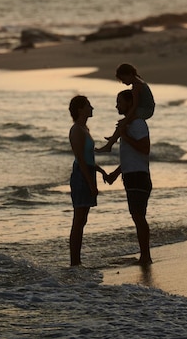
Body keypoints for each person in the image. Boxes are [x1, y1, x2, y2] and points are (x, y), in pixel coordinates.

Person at [105, 89, 153, 265]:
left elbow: (145, 148)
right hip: (131, 175)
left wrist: (124, 136)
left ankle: (146, 256)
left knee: (138, 216)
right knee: (137, 216)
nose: (117, 105)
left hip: (138, 176)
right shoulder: (129, 124)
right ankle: (145, 255)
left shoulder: (138, 124)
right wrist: (115, 174)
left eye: (119, 102)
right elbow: (130, 157)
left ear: (129, 103)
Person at [68, 95, 107, 266]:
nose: (92, 108)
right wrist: (91, 184)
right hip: (81, 175)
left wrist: (100, 171)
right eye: (88, 105)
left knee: (83, 219)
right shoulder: (76, 130)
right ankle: (74, 262)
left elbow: (88, 159)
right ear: (80, 109)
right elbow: (81, 160)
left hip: (88, 173)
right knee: (79, 219)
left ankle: (77, 261)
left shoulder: (85, 129)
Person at [96, 63, 155, 153]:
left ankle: (110, 144)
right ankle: (112, 140)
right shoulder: (140, 82)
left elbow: (134, 105)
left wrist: (127, 119)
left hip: (145, 110)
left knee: (123, 123)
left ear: (130, 74)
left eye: (123, 79)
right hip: (147, 109)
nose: (123, 82)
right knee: (123, 123)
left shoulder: (136, 86)